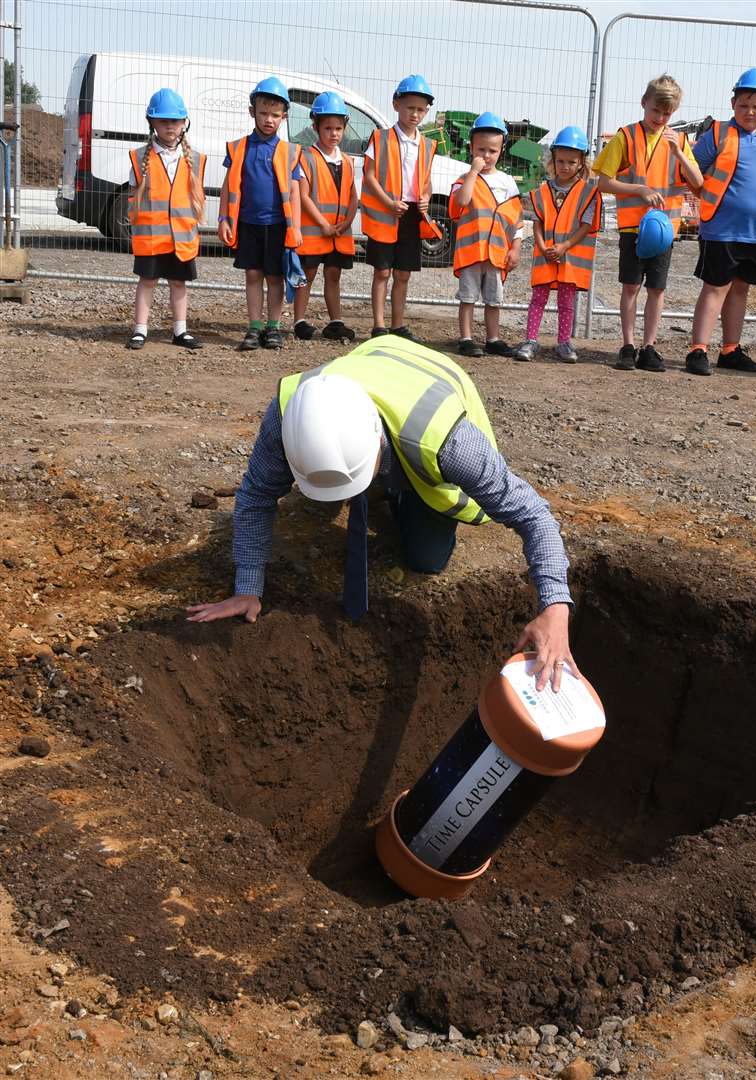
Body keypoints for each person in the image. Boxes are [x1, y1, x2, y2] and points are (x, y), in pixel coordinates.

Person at [184, 336, 579, 691]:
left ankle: (400, 492)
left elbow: (533, 514)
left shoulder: (448, 441)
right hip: (375, 362)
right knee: (321, 502)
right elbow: (256, 494)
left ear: (377, 442)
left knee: (426, 557)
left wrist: (555, 607)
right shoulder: (291, 412)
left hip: (432, 389)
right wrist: (248, 586)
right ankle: (368, 489)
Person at [593, 74, 702, 373]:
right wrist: (639, 190)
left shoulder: (678, 141)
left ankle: (649, 347)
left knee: (657, 289)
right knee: (631, 286)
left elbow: (698, 183)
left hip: (664, 230)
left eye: (667, 114)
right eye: (656, 111)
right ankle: (628, 345)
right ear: (644, 103)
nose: (660, 118)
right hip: (633, 228)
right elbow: (603, 182)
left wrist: (680, 153)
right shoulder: (625, 137)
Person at [685, 67, 756, 377]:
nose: (750, 112)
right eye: (743, 105)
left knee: (741, 289)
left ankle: (730, 349)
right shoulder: (717, 134)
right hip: (722, 228)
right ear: (733, 104)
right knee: (715, 287)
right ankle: (697, 350)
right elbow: (692, 170)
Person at [217, 77, 303, 351]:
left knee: (275, 277)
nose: (269, 119)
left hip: (277, 226)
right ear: (252, 111)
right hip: (247, 224)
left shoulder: (289, 152)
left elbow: (295, 191)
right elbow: (227, 186)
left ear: (284, 117)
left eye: (275, 115)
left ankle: (273, 328)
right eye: (263, 113)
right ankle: (254, 327)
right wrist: (223, 219)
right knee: (253, 275)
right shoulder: (239, 148)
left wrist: (297, 228)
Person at [360, 74, 444, 343]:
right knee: (382, 271)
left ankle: (397, 325)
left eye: (420, 109)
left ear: (427, 111)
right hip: (387, 211)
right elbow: (370, 175)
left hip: (411, 214)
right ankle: (379, 325)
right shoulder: (380, 138)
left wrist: (426, 198)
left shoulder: (428, 145)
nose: (415, 114)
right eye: (410, 108)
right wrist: (387, 202)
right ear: (396, 104)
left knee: (403, 273)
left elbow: (426, 180)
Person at [514, 126, 602, 364]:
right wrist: (542, 246)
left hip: (570, 257)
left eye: (571, 162)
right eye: (561, 161)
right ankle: (531, 340)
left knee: (566, 302)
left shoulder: (589, 192)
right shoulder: (543, 191)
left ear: (582, 162)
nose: (565, 166)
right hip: (546, 255)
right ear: (553, 159)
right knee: (538, 298)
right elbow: (538, 222)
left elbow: (586, 225)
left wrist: (565, 246)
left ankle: (563, 342)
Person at [126, 88, 205, 351]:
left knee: (178, 283)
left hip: (181, 238)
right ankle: (140, 330)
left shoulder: (195, 159)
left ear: (184, 123)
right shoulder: (139, 159)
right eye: (163, 121)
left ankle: (180, 331)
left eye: (175, 120)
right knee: (147, 282)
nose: (170, 126)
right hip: (151, 238)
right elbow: (133, 197)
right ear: (152, 123)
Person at [450, 112, 524, 359]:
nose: (486, 156)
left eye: (492, 150)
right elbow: (462, 201)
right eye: (481, 149)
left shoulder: (507, 183)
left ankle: (493, 339)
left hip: (496, 255)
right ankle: (467, 339)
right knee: (468, 299)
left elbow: (516, 220)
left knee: (494, 300)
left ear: (501, 150)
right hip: (472, 254)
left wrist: (516, 247)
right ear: (471, 148)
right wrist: (473, 173)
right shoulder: (464, 179)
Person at [292, 91, 358, 344]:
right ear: (315, 126)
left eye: (338, 128)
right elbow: (304, 195)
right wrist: (323, 224)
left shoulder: (348, 161)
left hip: (339, 233)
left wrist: (347, 221)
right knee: (307, 275)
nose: (334, 133)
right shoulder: (306, 157)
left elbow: (354, 196)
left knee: (333, 275)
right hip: (315, 233)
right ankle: (299, 320)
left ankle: (335, 322)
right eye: (328, 128)